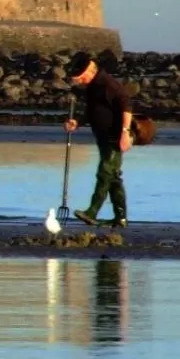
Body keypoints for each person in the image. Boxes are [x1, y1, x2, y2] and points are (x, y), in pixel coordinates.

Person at [63, 52, 134, 228]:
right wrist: (77, 122)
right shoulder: (92, 87)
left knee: (105, 173)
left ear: (89, 72)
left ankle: (92, 212)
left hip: (114, 136)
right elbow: (92, 111)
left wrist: (125, 132)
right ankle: (121, 218)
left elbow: (126, 106)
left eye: (80, 77)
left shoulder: (108, 84)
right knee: (113, 177)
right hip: (102, 136)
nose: (78, 81)